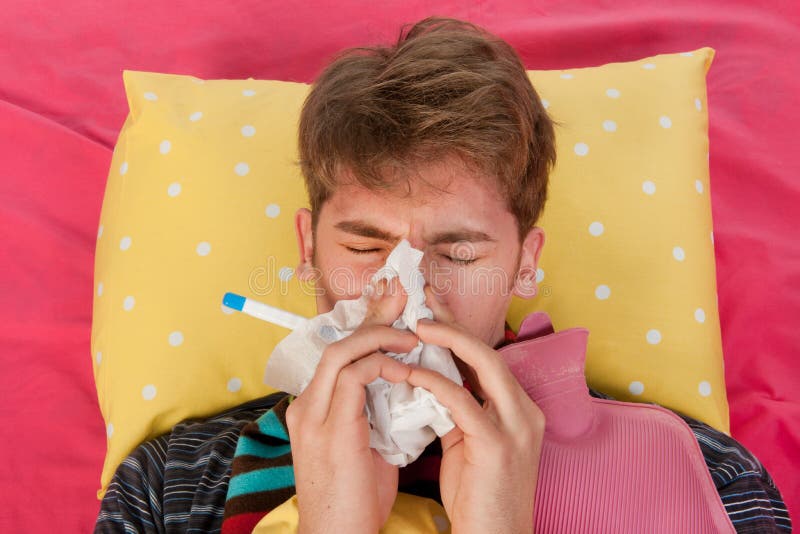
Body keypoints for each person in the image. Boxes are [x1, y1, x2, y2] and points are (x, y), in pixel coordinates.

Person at [95, 16, 791, 533]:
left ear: (526, 265)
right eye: (365, 246)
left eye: (457, 253)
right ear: (306, 249)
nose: (405, 293)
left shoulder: (706, 476)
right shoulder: (171, 487)